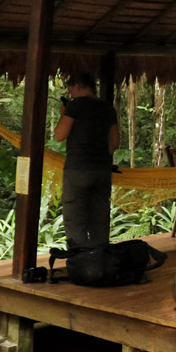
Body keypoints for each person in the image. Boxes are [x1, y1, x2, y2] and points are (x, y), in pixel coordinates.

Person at [52, 71, 122, 253]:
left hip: (78, 169)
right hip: (102, 170)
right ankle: (101, 261)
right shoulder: (107, 108)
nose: (71, 95)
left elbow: (59, 135)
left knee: (75, 219)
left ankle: (80, 262)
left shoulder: (75, 106)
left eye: (71, 90)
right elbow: (115, 142)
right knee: (99, 218)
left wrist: (64, 113)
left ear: (77, 86)